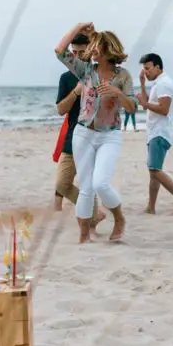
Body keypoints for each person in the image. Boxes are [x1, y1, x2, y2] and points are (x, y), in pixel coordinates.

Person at [54, 22, 136, 243]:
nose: (93, 50)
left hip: (109, 135)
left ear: (108, 49)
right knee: (87, 187)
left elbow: (132, 107)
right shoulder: (86, 71)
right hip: (83, 134)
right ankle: (83, 236)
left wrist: (118, 93)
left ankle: (119, 219)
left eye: (97, 46)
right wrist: (78, 27)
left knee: (101, 182)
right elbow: (59, 51)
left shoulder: (124, 76)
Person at [53, 33, 102, 224]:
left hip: (94, 137)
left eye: (82, 51)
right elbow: (60, 109)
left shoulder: (100, 74)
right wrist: (76, 91)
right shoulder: (65, 78)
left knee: (89, 184)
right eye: (74, 52)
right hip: (71, 137)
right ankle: (92, 213)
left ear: (90, 51)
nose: (78, 55)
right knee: (62, 184)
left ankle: (92, 221)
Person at [136, 52, 173, 215]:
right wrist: (142, 84)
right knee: (154, 172)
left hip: (160, 133)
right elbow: (147, 105)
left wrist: (145, 103)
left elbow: (164, 109)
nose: (145, 72)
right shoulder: (158, 83)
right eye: (144, 69)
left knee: (154, 170)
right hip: (155, 132)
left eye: (148, 68)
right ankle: (151, 207)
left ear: (158, 67)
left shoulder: (164, 83)